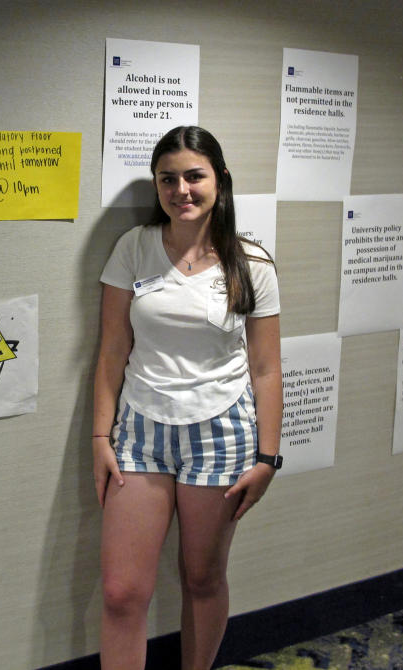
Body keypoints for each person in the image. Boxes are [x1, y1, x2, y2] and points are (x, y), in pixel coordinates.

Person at [93, 126, 282, 670]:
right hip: (139, 433)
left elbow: (266, 370)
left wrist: (268, 457)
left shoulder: (252, 263)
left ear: (219, 182)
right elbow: (111, 351)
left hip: (222, 435)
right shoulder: (134, 248)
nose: (181, 190)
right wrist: (99, 437)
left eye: (194, 176)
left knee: (202, 579)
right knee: (122, 592)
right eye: (167, 178)